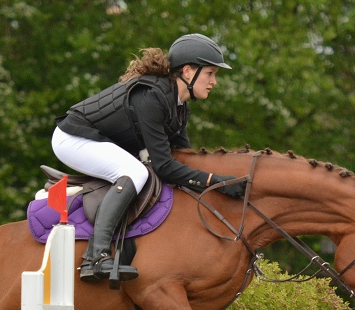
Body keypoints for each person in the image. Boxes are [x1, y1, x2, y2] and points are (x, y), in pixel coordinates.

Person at [52, 33, 246, 283]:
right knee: (137, 172)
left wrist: (217, 184)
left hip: (98, 140)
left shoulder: (179, 106)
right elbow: (165, 167)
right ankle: (95, 257)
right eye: (210, 74)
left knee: (142, 171)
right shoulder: (153, 97)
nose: (214, 82)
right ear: (188, 71)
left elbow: (182, 159)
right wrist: (214, 181)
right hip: (73, 138)